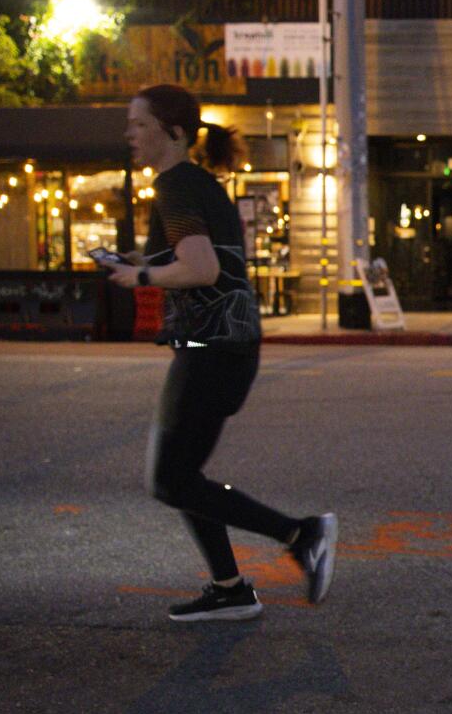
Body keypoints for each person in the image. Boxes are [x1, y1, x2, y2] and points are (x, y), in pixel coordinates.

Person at [103, 84, 336, 622]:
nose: (130, 134)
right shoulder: (197, 185)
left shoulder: (177, 186)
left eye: (139, 124)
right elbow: (190, 257)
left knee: (171, 478)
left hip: (213, 349)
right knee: (182, 476)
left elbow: (200, 268)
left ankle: (302, 535)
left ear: (174, 132)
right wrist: (136, 259)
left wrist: (138, 274)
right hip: (224, 346)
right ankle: (229, 587)